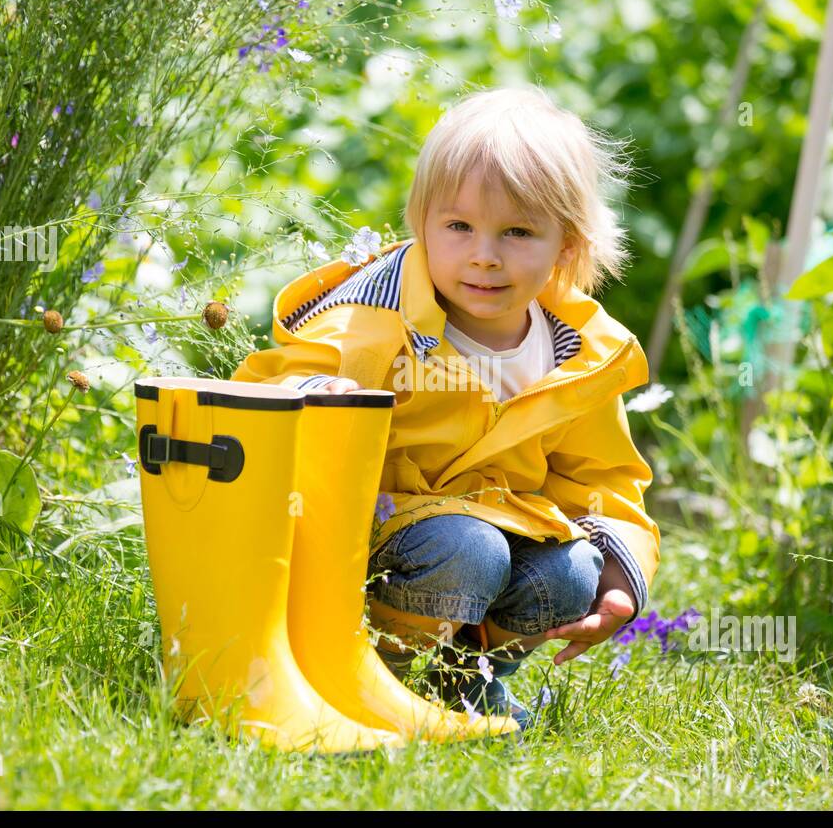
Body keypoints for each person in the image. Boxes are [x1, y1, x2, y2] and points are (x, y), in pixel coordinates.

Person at [231, 85, 660, 729]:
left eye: (517, 232)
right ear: (422, 222)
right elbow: (280, 382)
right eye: (459, 227)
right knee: (470, 548)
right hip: (371, 546)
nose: (484, 255)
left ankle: (473, 680)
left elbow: (603, 479)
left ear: (566, 247)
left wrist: (621, 575)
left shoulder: (577, 354)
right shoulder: (374, 317)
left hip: (493, 537)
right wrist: (316, 397)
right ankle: (378, 669)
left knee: (572, 568)